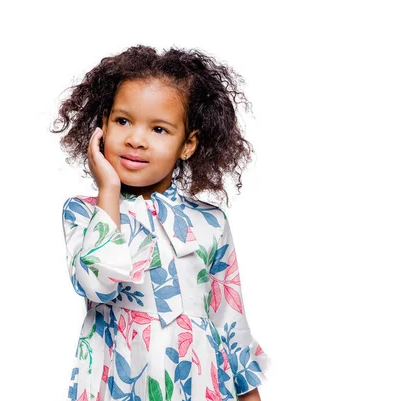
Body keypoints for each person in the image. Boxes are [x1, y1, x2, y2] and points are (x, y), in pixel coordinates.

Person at [51, 45, 271, 401]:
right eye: (123, 121)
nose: (136, 139)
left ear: (188, 144)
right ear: (102, 125)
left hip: (199, 381)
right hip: (119, 380)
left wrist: (249, 395)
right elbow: (98, 283)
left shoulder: (210, 222)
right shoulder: (85, 213)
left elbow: (231, 322)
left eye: (159, 129)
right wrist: (108, 188)